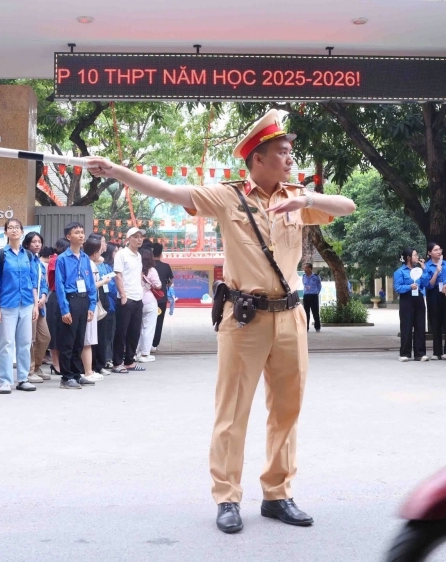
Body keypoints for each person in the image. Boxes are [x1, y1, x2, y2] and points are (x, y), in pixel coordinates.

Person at [84, 108, 355, 534]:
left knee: (287, 409)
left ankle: (278, 493)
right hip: (244, 317)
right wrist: (118, 170)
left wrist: (307, 200)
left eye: (290, 152)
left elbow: (347, 205)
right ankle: (227, 497)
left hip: (290, 316)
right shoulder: (229, 197)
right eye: (282, 152)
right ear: (258, 158)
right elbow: (171, 191)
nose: (290, 159)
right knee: (232, 411)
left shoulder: (296, 195)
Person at [0, 219, 39, 394]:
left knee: (25, 342)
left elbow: (33, 281)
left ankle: (23, 378)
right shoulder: (1, 255)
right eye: (10, 228)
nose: (14, 230)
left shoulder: (29, 255)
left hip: (26, 304)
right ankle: (5, 380)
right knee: (6, 343)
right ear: (5, 232)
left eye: (17, 228)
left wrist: (35, 305)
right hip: (7, 305)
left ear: (22, 231)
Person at [54, 222, 97, 389]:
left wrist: (92, 306)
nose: (80, 235)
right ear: (68, 237)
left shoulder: (86, 258)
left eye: (82, 232)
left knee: (80, 340)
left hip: (84, 299)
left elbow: (91, 284)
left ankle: (77, 373)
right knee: (68, 340)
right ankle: (66, 377)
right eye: (76, 232)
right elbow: (59, 285)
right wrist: (64, 309)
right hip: (70, 300)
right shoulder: (62, 259)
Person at [111, 227, 146, 373]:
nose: (139, 239)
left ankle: (129, 361)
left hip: (138, 297)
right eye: (136, 237)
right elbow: (118, 275)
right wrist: (123, 295)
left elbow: (138, 274)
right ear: (128, 239)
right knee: (121, 332)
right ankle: (117, 363)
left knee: (134, 331)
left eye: (141, 237)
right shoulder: (121, 254)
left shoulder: (138, 255)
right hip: (126, 298)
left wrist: (141, 290)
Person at [22, 231, 51, 383]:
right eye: (33, 242)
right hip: (29, 304)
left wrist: (44, 296)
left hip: (40, 306)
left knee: (45, 337)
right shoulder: (25, 261)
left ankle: (38, 366)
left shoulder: (40, 264)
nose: (37, 244)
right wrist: (35, 301)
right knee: (31, 338)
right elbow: (30, 283)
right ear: (27, 244)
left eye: (39, 241)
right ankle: (29, 370)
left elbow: (44, 284)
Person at [81, 234, 110, 380]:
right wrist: (104, 281)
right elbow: (90, 286)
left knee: (90, 339)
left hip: (91, 303)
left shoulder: (90, 262)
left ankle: (89, 370)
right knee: (88, 339)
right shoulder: (90, 264)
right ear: (94, 252)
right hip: (89, 305)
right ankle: (87, 371)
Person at [394, 248, 428, 362]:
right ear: (408, 257)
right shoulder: (400, 272)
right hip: (406, 300)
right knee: (406, 326)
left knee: (420, 326)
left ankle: (420, 353)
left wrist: (424, 270)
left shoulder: (418, 270)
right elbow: (397, 288)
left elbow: (425, 283)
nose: (417, 257)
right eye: (415, 255)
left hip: (418, 298)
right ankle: (405, 353)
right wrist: (409, 287)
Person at [45, 237, 70, 378]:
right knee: (55, 332)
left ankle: (62, 362)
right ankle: (55, 363)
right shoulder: (55, 259)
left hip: (68, 297)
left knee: (64, 332)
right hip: (56, 296)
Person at [136, 248, 162, 363]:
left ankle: (135, 352)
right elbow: (158, 285)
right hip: (149, 301)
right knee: (148, 328)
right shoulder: (152, 270)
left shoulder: (135, 270)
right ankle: (145, 354)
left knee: (137, 328)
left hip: (137, 300)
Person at [424, 243, 446, 360]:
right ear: (429, 253)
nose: (439, 252)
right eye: (436, 250)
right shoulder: (427, 266)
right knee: (436, 323)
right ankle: (437, 352)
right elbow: (430, 284)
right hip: (433, 295)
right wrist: (437, 271)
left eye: (440, 249)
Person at [98, 243, 118, 371]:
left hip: (111, 304)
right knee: (105, 334)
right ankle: (105, 359)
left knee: (110, 333)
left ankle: (108, 357)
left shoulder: (110, 267)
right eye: (115, 251)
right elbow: (110, 287)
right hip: (107, 303)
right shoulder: (103, 267)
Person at [151, 242, 173, 350]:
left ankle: (146, 344)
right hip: (161, 299)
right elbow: (170, 282)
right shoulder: (166, 266)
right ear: (161, 253)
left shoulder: (147, 266)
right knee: (159, 322)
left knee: (146, 322)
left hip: (148, 298)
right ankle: (154, 344)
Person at [301, 263, 322, 333]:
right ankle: (306, 327)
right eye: (304, 268)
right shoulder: (303, 276)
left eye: (306, 268)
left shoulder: (315, 277)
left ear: (310, 268)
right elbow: (304, 285)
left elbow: (319, 286)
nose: (304, 270)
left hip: (313, 296)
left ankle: (317, 327)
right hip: (306, 296)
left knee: (315, 312)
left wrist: (316, 292)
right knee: (306, 312)